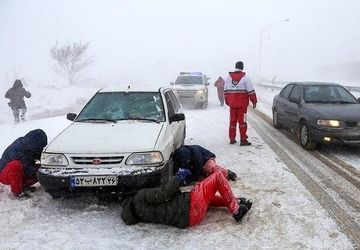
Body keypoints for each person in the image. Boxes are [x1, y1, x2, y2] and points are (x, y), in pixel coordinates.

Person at [120, 169, 252, 228]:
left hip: (190, 218)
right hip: (189, 204)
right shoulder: (140, 196)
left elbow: (164, 203)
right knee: (217, 177)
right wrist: (179, 176)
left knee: (202, 191)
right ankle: (237, 211)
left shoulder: (139, 214)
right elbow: (165, 193)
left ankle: (237, 201)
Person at [0, 129, 47, 198]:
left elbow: (42, 157)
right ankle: (17, 193)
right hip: (4, 173)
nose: (41, 148)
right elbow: (24, 169)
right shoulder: (17, 148)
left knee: (44, 168)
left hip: (22, 171)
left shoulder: (35, 146)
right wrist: (39, 173)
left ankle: (22, 186)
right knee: (15, 165)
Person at [224, 61, 257, 146]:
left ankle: (232, 139)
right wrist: (254, 101)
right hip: (242, 106)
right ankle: (243, 140)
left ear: (235, 67)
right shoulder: (246, 78)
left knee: (232, 122)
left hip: (232, 105)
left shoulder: (228, 78)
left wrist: (228, 102)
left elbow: (225, 91)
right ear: (242, 67)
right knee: (243, 123)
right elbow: (251, 91)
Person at [173, 145, 237, 183]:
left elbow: (198, 170)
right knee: (203, 180)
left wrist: (192, 179)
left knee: (211, 169)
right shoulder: (177, 156)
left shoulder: (196, 155)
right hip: (195, 165)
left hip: (206, 159)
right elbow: (176, 168)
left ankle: (227, 173)